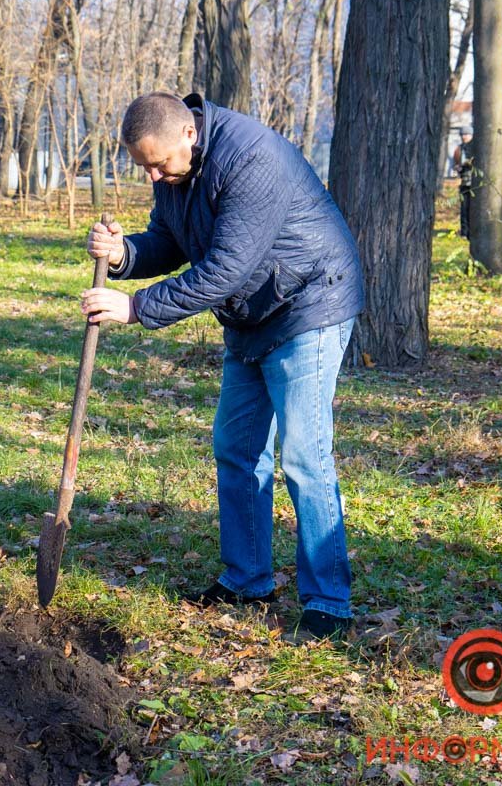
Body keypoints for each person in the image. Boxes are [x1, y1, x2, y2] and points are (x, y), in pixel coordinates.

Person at [81, 92, 364, 642]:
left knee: (305, 456)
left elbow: (225, 269)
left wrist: (136, 306)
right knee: (236, 448)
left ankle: (329, 601)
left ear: (188, 135)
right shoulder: (177, 173)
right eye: (146, 169)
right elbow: (171, 240)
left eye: (159, 164)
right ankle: (247, 579)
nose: (156, 177)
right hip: (252, 316)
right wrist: (124, 257)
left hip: (309, 302)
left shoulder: (251, 158)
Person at [453, 126, 474, 239]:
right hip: (464, 183)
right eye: (462, 135)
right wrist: (457, 168)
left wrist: (467, 163)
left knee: (473, 208)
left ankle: (472, 231)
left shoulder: (475, 148)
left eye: (466, 134)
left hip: (474, 183)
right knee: (464, 208)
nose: (464, 137)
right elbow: (456, 163)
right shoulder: (459, 149)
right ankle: (464, 232)